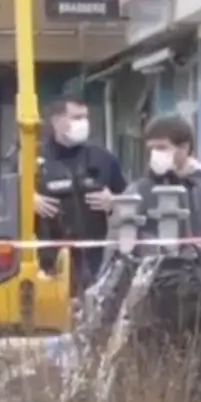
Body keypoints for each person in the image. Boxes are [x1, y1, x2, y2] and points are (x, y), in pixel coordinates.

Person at [33, 96, 126, 294]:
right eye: (76, 117)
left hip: (95, 259)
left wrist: (113, 203)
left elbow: (128, 201)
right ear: (56, 121)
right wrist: (28, 200)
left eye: (86, 117)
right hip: (47, 261)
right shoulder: (32, 158)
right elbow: (5, 200)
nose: (83, 123)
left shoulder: (103, 159)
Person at [129, 115, 201, 240]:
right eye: (151, 149)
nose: (155, 154)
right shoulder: (139, 191)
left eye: (161, 147)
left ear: (184, 147)